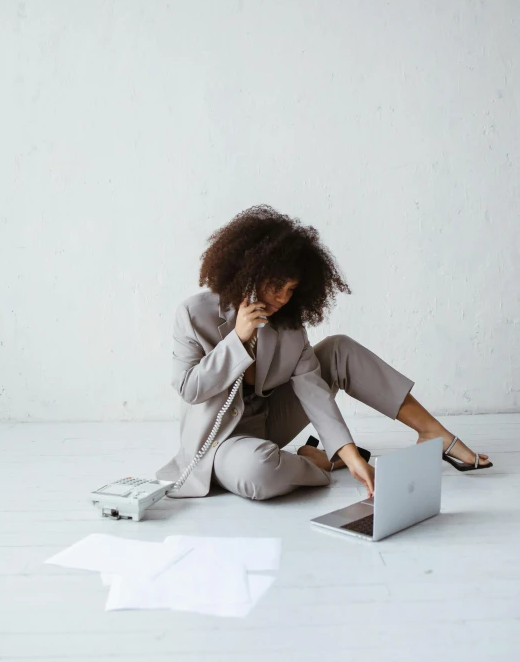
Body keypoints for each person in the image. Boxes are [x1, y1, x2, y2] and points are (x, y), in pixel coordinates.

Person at [156, 204, 492, 501]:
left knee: (338, 349)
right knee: (256, 471)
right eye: (276, 286)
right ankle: (315, 460)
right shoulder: (193, 315)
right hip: (221, 442)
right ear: (250, 272)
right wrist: (237, 340)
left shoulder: (288, 326)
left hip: (271, 422)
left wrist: (350, 455)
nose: (282, 299)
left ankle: (433, 434)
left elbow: (313, 393)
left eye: (290, 290)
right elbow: (188, 388)